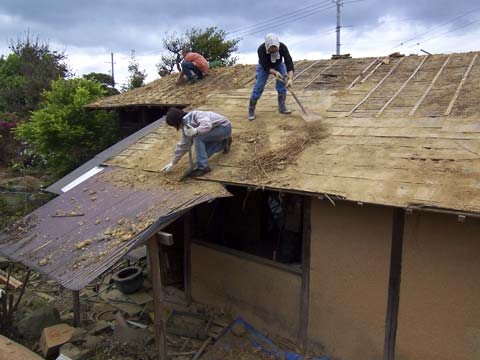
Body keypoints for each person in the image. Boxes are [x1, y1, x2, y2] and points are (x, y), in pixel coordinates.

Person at [161, 108, 232, 177]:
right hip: (214, 132)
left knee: (198, 137)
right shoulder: (185, 126)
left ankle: (203, 168)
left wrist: (196, 131)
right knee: (204, 153)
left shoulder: (197, 115)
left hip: (224, 128)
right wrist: (173, 162)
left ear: (177, 121)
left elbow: (207, 125)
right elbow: (185, 144)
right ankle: (224, 143)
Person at [248, 33, 294, 121]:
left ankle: (282, 107)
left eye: (275, 48)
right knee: (259, 86)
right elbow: (266, 67)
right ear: (267, 46)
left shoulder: (282, 47)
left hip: (279, 64)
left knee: (282, 86)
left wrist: (290, 78)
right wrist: (275, 72)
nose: (273, 50)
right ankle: (251, 109)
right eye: (271, 49)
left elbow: (289, 62)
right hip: (264, 67)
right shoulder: (261, 49)